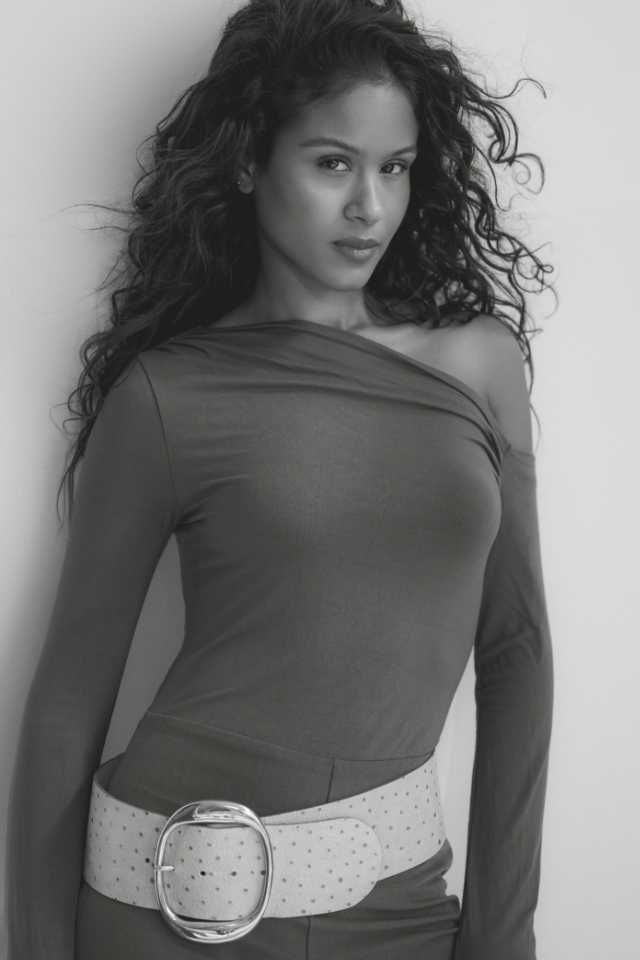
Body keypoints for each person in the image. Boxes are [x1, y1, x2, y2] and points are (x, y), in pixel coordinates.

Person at [5, 0, 554, 958]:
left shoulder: (480, 364)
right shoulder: (166, 394)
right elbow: (68, 701)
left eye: (394, 167)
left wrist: (503, 939)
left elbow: (517, 656)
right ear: (250, 161)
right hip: (163, 916)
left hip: (399, 911)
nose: (370, 207)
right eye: (333, 163)